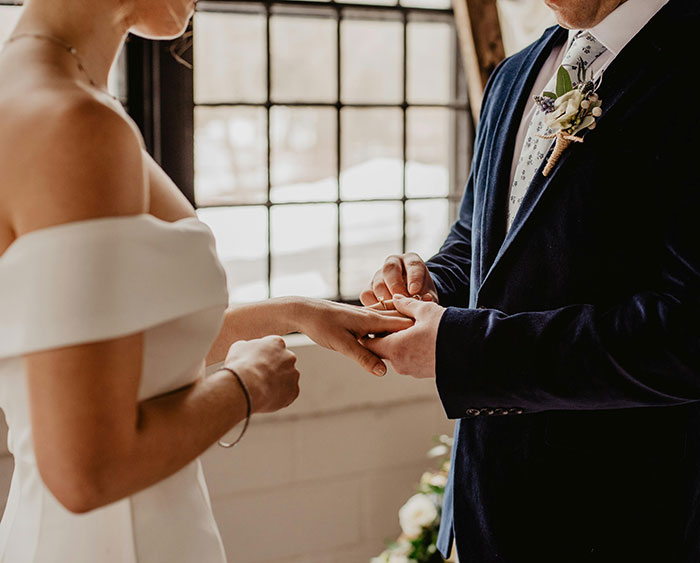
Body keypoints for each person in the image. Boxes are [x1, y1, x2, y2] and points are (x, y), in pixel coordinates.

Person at [0, 0, 412, 561]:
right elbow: (87, 470)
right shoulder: (72, 124)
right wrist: (246, 386)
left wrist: (294, 314)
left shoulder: (36, 93)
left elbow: (121, 354)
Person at [362, 0, 700, 560]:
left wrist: (462, 349)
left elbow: (686, 332)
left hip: (632, 520)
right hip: (485, 513)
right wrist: (430, 284)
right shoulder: (515, 73)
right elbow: (479, 238)